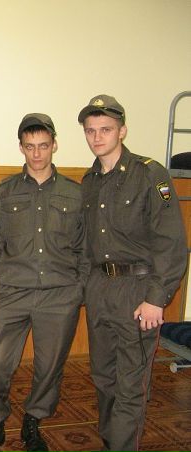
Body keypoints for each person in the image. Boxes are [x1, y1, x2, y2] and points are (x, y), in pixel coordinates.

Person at [0, 114, 89, 452]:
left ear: (54, 145)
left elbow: (85, 247)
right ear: (21, 148)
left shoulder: (75, 194)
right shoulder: (4, 192)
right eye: (30, 147)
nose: (37, 154)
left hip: (60, 295)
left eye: (43, 146)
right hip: (12, 293)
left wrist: (78, 289)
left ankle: (33, 420)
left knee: (49, 366)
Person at [78, 94, 187, 452]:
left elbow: (171, 243)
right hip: (100, 289)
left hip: (138, 291)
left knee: (130, 384)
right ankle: (112, 441)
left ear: (122, 131)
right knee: (103, 378)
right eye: (90, 130)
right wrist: (86, 289)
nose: (97, 137)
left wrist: (156, 298)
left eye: (106, 129)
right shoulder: (89, 180)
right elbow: (87, 244)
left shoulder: (149, 173)